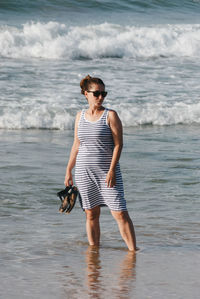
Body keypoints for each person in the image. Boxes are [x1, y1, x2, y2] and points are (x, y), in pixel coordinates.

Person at [64, 75, 137, 252]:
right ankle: (94, 252)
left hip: (107, 173)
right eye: (96, 93)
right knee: (91, 214)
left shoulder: (110, 115)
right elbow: (76, 144)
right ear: (85, 94)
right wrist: (68, 170)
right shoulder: (79, 116)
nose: (100, 97)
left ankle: (133, 251)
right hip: (84, 172)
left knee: (119, 212)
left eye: (103, 93)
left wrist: (112, 170)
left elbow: (119, 144)